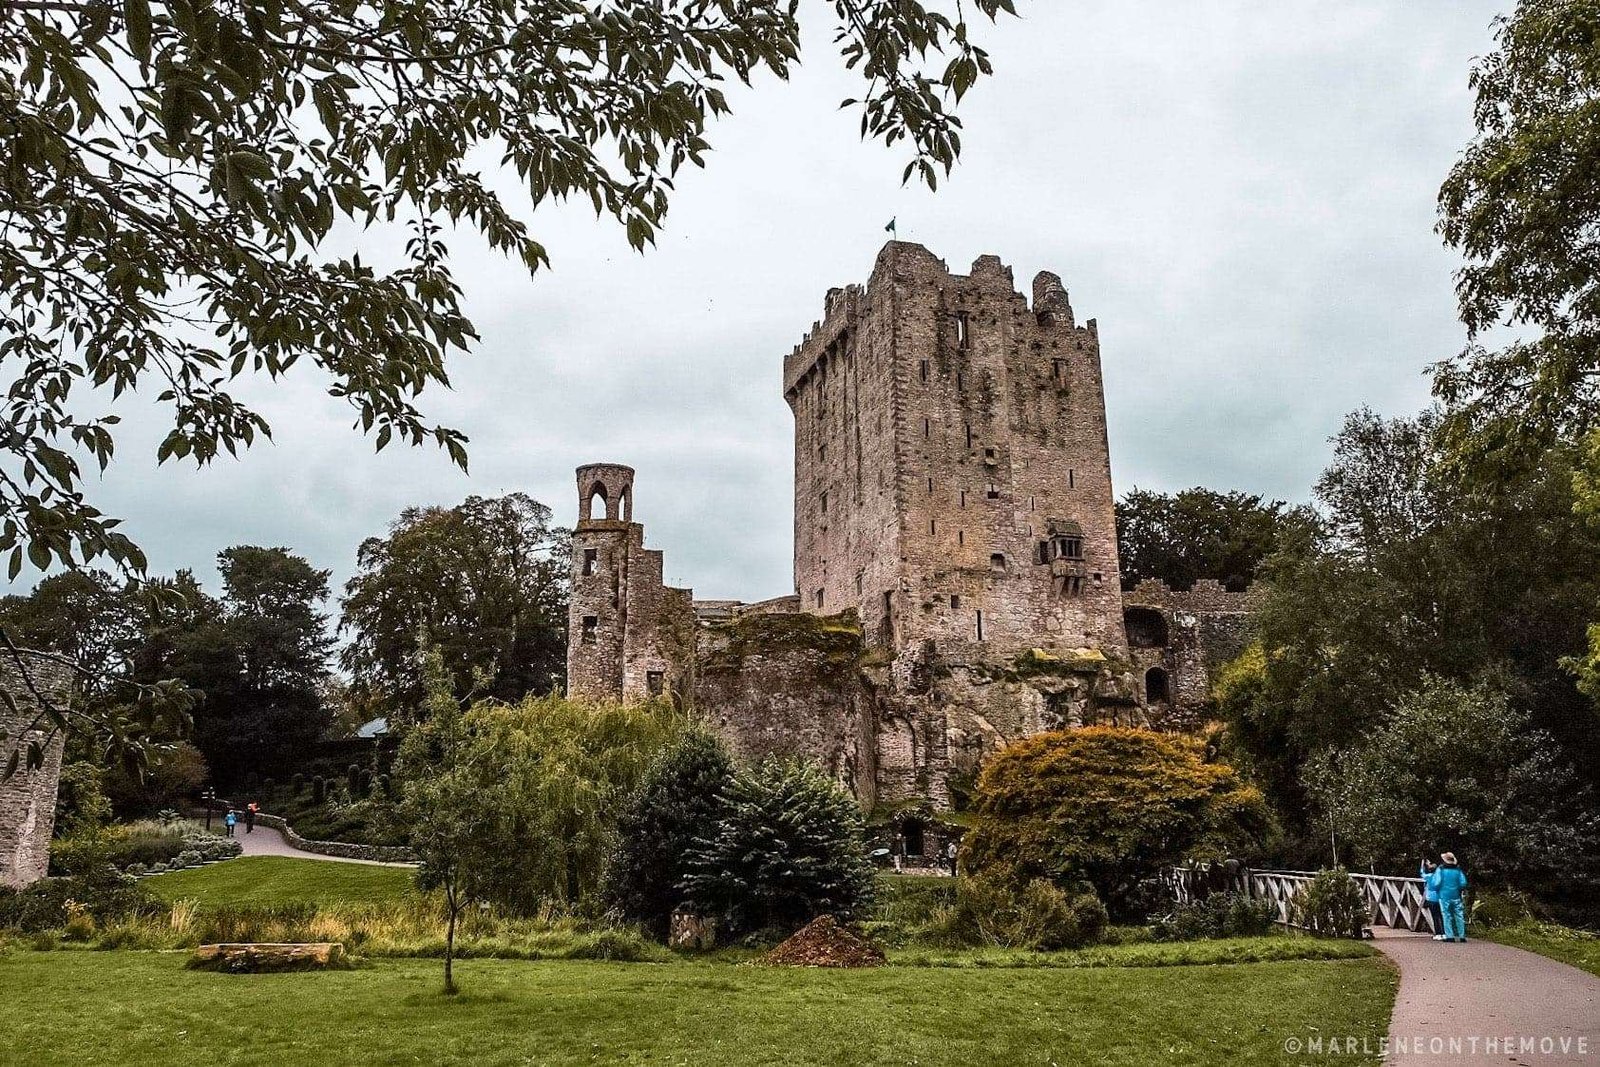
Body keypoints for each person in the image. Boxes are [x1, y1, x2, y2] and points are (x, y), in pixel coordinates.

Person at [1427, 851, 1469, 943]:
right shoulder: (1458, 870)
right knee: (1459, 915)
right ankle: (1462, 936)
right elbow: (1463, 883)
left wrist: (1436, 888)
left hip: (1444, 895)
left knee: (1446, 915)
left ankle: (1449, 936)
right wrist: (1458, 888)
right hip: (1456, 895)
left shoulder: (1440, 870)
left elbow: (1436, 883)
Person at [1419, 856, 1445, 940]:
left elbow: (1421, 873)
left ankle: (1438, 934)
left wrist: (1423, 864)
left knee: (1435, 916)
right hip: (1440, 897)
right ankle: (1444, 933)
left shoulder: (1428, 876)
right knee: (1441, 916)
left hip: (1431, 898)